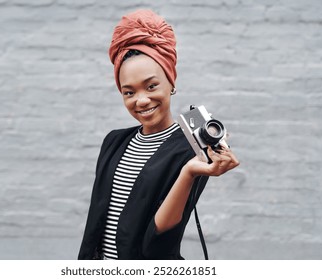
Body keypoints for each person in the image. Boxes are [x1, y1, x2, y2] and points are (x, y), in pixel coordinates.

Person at [78, 9, 239, 260]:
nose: (141, 101)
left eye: (151, 86)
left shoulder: (192, 148)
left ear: (171, 82)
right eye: (128, 92)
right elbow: (95, 225)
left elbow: (161, 237)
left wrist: (189, 172)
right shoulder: (113, 142)